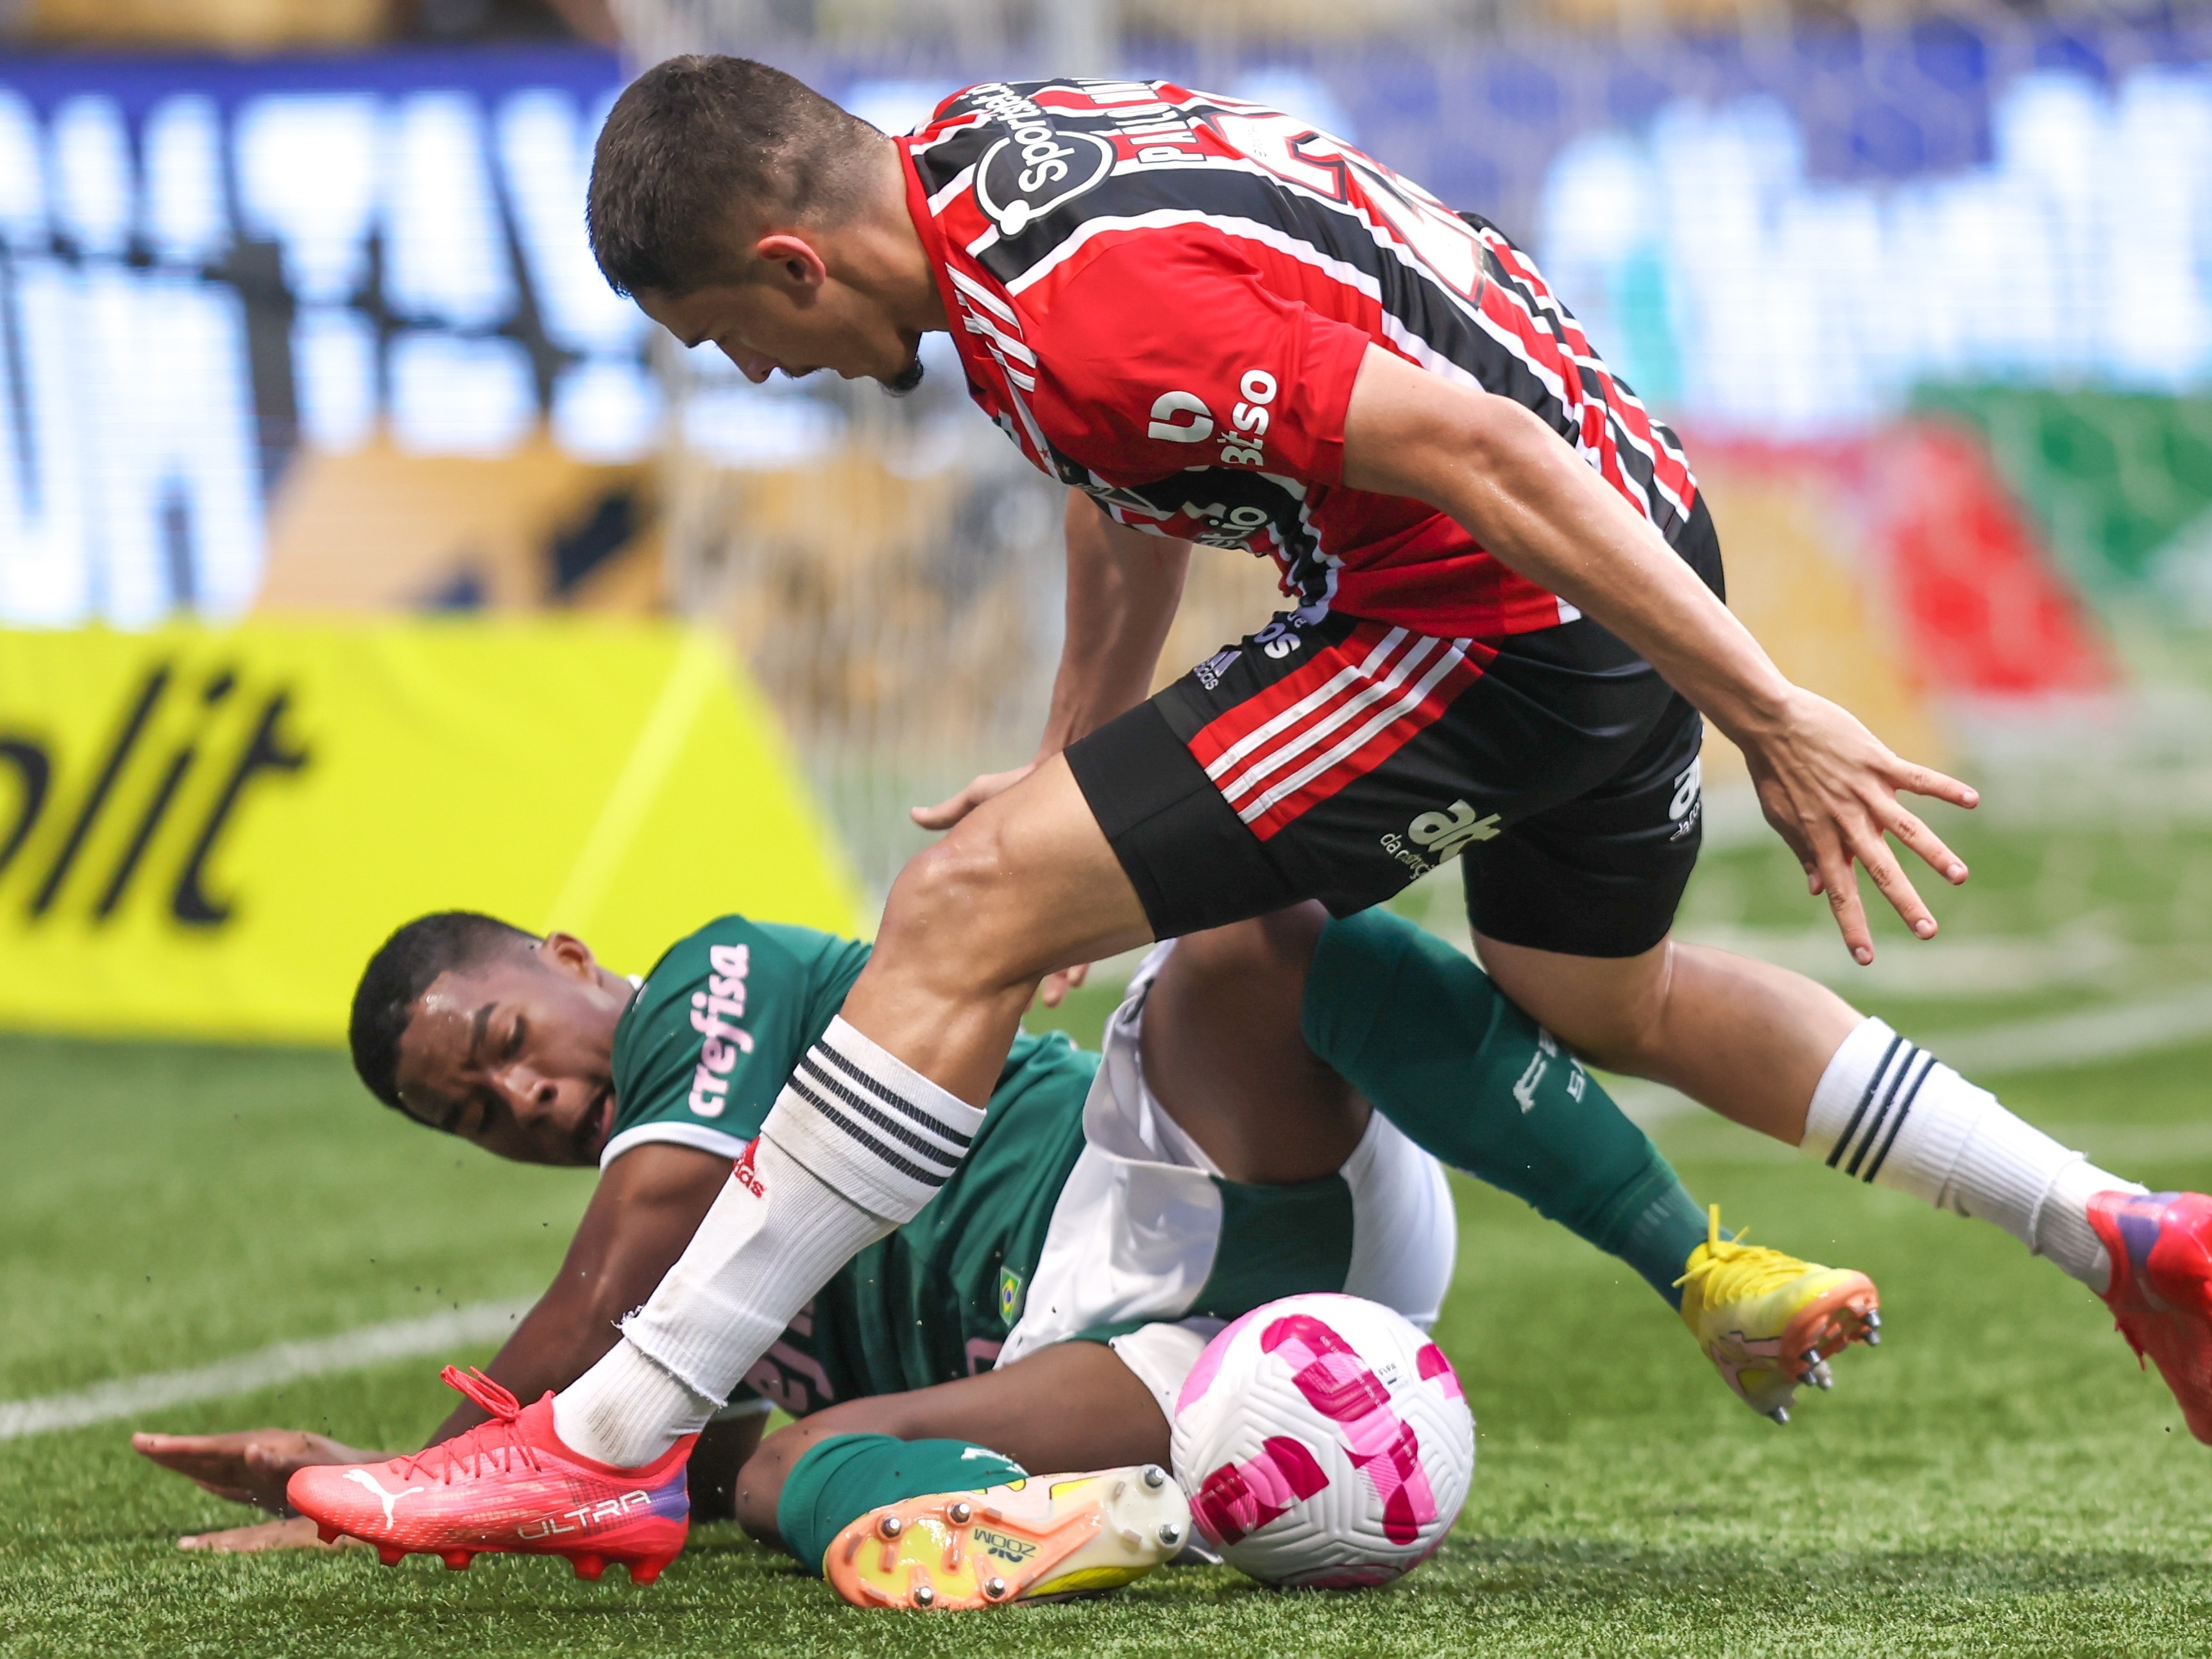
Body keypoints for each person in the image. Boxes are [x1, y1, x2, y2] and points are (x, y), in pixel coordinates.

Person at [291, 59, 2212, 1556]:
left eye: (734, 335)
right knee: (1598, 995)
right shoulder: (981, 166)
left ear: (789, 264)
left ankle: (612, 1442)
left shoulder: (1086, 305)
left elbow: (1472, 447)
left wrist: (1772, 706)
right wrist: (1076, 746)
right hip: (1621, 533)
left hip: (1495, 601)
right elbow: (1113, 464)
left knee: (962, 907)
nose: (760, 372)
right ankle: (2119, 1227)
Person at [149, 902, 1876, 1605]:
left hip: (1181, 1179)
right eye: (478, 1109)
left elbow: (634, 1252)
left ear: (570, 953)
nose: (523, 1091)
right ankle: (1134, 1519)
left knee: (1254, 939)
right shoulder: (671, 1315)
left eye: (509, 1035)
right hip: (1160, 1376)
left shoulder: (706, 987)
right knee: (779, 1460)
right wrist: (409, 1473)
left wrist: (404, 1475)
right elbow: (638, 1472)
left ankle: (1695, 1260)